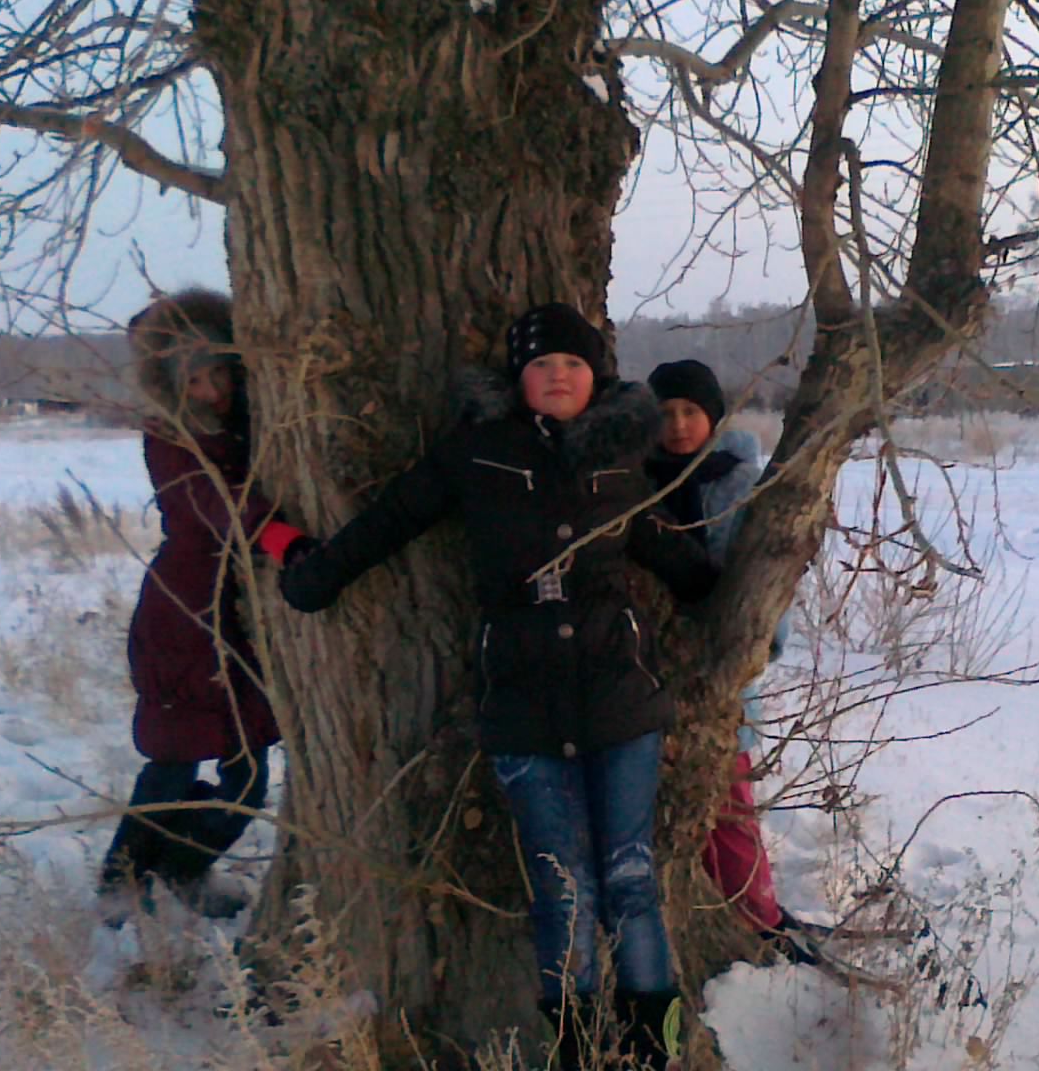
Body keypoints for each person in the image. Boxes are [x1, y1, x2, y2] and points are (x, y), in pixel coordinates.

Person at [266, 303, 716, 1069]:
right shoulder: (476, 454)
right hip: (523, 705)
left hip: (620, 701)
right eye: (543, 366)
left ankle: (650, 1051)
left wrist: (743, 584)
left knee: (630, 878)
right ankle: (573, 1049)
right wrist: (315, 574)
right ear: (520, 380)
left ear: (595, 375)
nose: (559, 377)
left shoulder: (618, 459)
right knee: (561, 887)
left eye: (573, 364)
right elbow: (390, 520)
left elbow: (670, 553)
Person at [98, 288, 290, 921]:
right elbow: (219, 506)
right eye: (197, 381)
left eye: (219, 372)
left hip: (241, 617)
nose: (213, 391)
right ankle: (118, 886)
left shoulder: (252, 420)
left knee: (248, 781)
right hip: (187, 615)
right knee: (174, 765)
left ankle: (184, 867)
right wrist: (288, 541)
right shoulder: (170, 436)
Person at [644, 358, 822, 968]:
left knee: (731, 810)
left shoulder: (739, 482)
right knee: (677, 814)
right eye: (665, 413)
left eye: (690, 412)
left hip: (720, 678)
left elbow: (768, 575)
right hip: (650, 677)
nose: (677, 425)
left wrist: (760, 643)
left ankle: (759, 920)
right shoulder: (638, 483)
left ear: (713, 417)